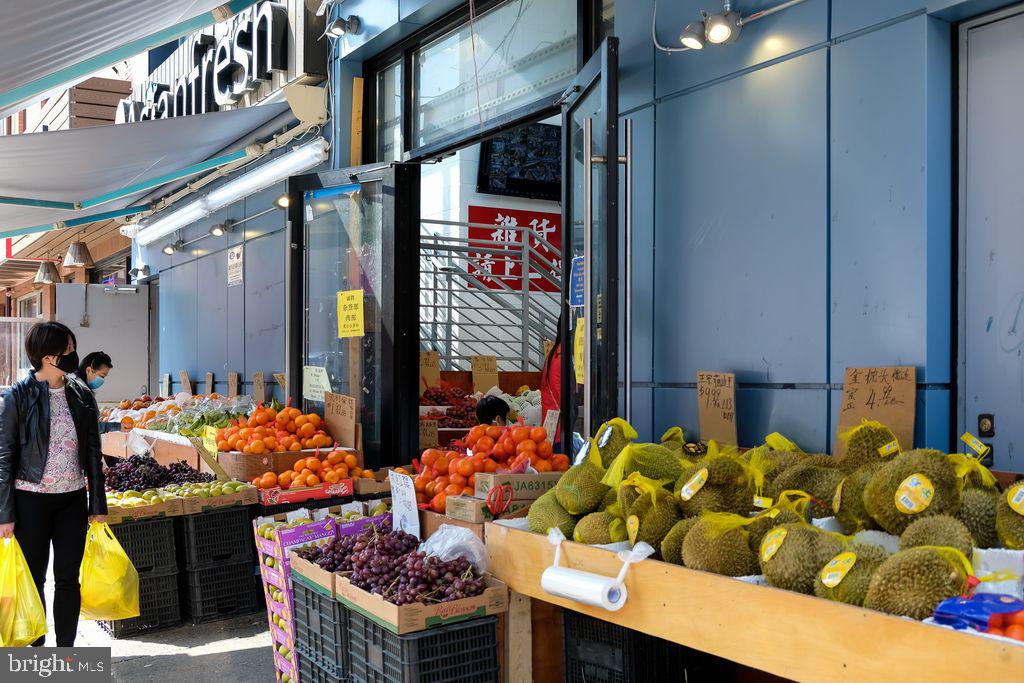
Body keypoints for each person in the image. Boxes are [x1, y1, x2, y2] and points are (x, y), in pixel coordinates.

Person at [0, 321, 107, 647]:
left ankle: (67, 655)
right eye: (69, 351)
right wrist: (5, 513)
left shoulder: (81, 394)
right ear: (49, 357)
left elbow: (93, 451)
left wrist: (97, 505)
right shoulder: (16, 397)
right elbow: (4, 457)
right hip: (29, 500)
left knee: (67, 580)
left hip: (72, 500)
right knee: (32, 580)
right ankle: (37, 653)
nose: (74, 357)